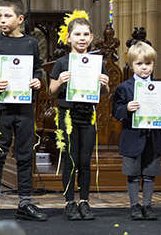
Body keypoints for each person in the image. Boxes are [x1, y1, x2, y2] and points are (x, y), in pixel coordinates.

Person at [0, 0, 48, 223]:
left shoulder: (30, 43)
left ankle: (24, 203)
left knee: (25, 156)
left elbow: (38, 70)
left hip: (25, 108)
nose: (2, 20)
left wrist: (38, 81)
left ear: (19, 19)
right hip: (1, 107)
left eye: (7, 16)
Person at [49, 14, 110, 220]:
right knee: (70, 160)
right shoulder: (61, 62)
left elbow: (104, 93)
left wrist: (105, 84)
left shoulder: (96, 63)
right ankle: (69, 203)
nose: (81, 38)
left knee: (85, 160)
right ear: (69, 38)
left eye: (85, 34)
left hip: (88, 116)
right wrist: (58, 82)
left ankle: (84, 201)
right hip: (67, 115)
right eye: (77, 34)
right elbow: (51, 91)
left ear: (91, 37)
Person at [112, 41, 161, 221]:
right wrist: (127, 108)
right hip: (132, 137)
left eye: (148, 64)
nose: (144, 68)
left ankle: (147, 205)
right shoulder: (124, 88)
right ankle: (134, 206)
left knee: (149, 174)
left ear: (153, 64)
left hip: (153, 138)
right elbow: (116, 111)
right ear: (131, 65)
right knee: (133, 174)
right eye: (139, 64)